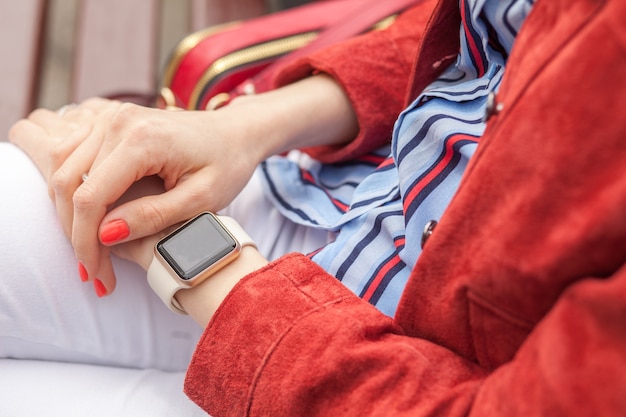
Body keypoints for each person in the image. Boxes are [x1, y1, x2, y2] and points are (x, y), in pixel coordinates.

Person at [1, 0, 625, 416]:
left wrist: (198, 255)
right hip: (326, 190)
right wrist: (243, 128)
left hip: (372, 372)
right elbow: (489, 43)